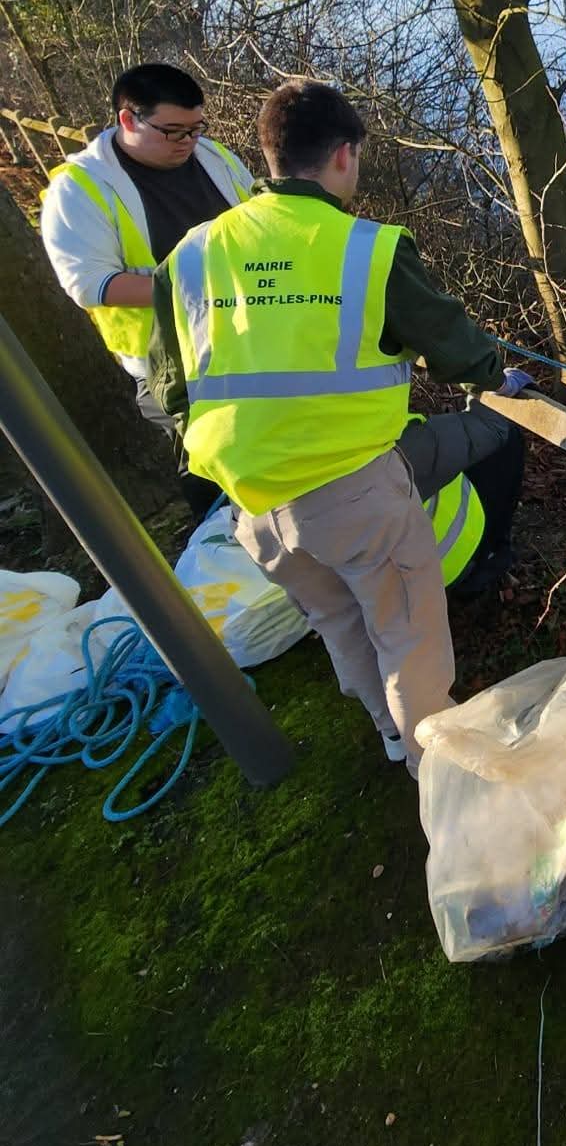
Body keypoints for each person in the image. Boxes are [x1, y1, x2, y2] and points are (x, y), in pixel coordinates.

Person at [147, 80, 527, 772]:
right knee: (407, 634)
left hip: (254, 503)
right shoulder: (366, 249)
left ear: (268, 155)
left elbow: (171, 387)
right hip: (352, 493)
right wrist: (497, 375)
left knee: (339, 621)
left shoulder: (194, 253)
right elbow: (456, 349)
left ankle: (390, 733)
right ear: (345, 155)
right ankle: (436, 772)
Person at [40, 62, 253, 513]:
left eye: (197, 128)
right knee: (214, 475)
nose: (188, 142)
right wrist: (200, 291)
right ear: (128, 119)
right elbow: (92, 285)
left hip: (251, 338)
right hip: (170, 364)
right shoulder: (79, 189)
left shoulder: (214, 158)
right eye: (173, 131)